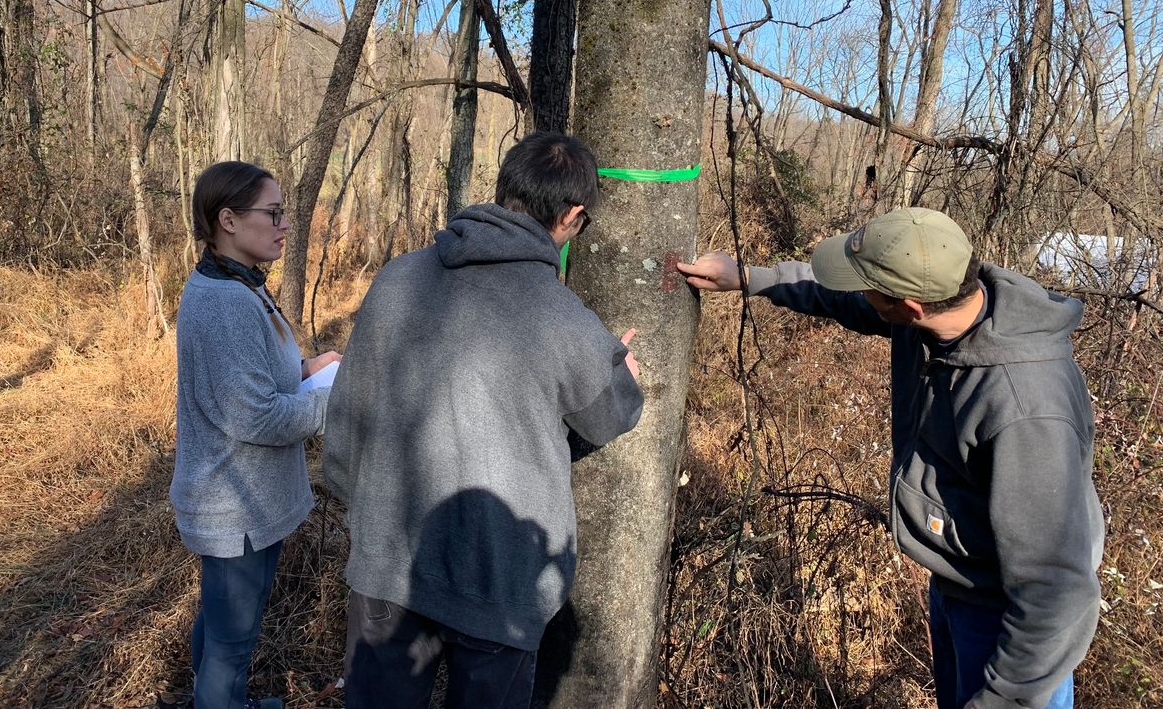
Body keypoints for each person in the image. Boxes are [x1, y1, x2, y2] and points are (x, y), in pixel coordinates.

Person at [678, 207, 1104, 709]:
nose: (860, 294)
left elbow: (1055, 591)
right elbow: (842, 299)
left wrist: (1004, 699)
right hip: (957, 583)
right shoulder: (941, 313)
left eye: (868, 287)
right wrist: (751, 278)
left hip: (1012, 623)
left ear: (909, 305)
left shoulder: (1026, 408)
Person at [325, 131, 644, 709]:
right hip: (502, 579)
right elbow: (612, 414)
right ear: (572, 216)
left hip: (388, 560)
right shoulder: (563, 319)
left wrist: (362, 515)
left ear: (502, 190)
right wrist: (622, 369)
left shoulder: (397, 278)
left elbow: (347, 416)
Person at [170, 161, 340, 709]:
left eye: (283, 212)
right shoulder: (225, 303)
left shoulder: (236, 283)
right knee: (231, 645)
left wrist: (308, 369)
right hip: (234, 507)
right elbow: (256, 417)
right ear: (227, 220)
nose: (283, 224)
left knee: (220, 628)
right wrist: (334, 399)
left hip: (247, 501)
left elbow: (251, 380)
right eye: (272, 213)